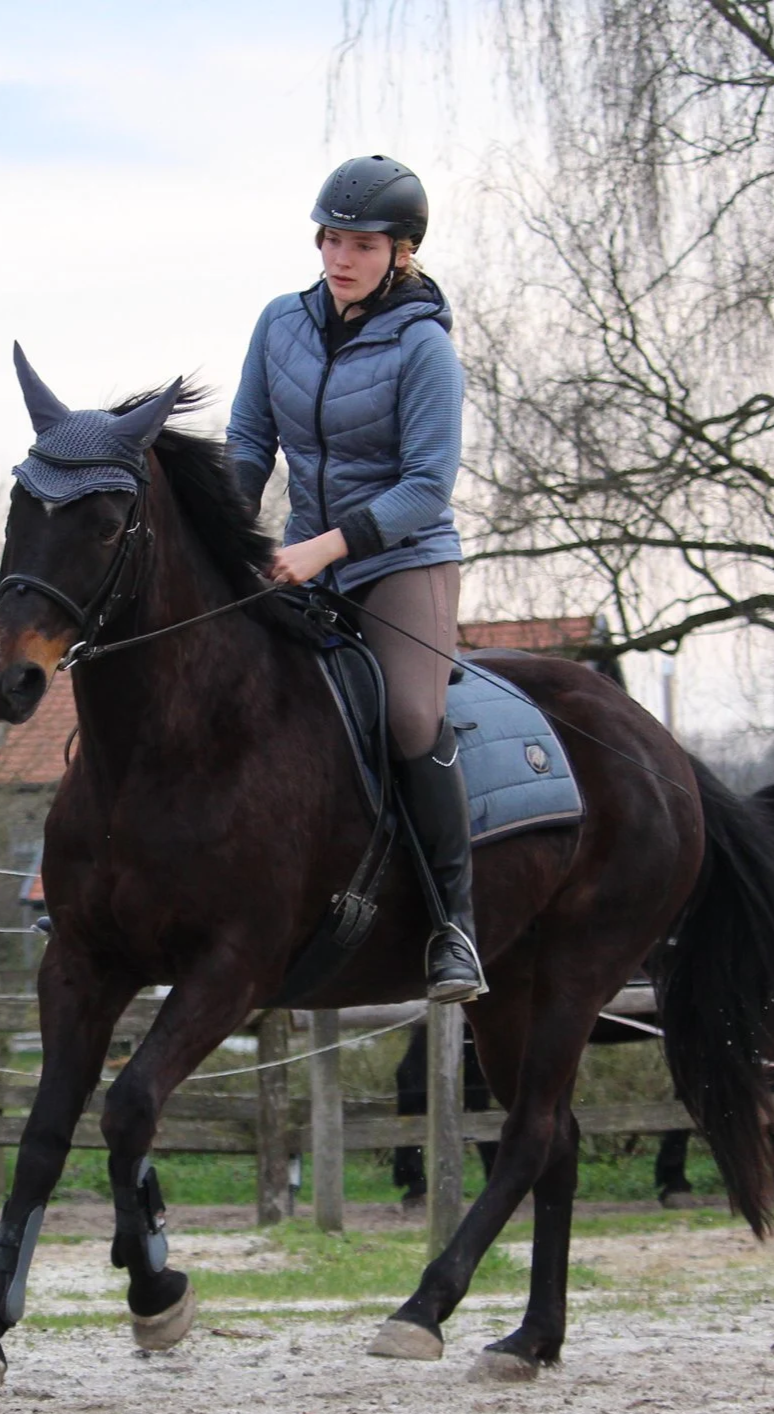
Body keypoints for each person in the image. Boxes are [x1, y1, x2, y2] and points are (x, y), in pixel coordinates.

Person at [228, 154, 482, 1002]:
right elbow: (247, 446)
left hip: (402, 561)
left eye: (362, 245)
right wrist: (226, 539)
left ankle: (453, 927)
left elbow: (425, 488)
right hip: (299, 554)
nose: (340, 258)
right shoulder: (279, 323)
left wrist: (324, 549)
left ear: (401, 253)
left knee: (410, 716)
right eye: (331, 240)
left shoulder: (426, 350)